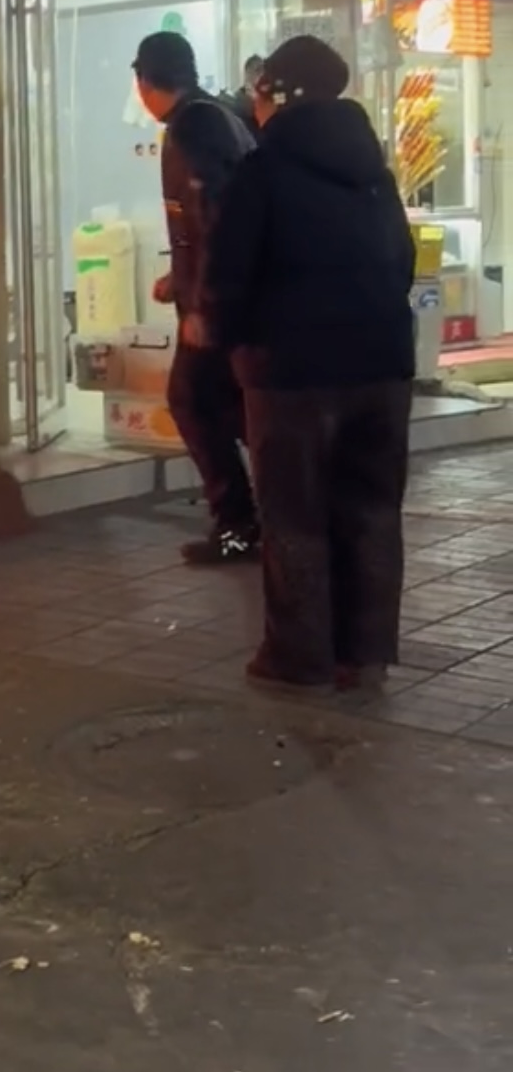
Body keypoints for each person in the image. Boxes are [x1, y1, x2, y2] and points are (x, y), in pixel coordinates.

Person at [202, 35, 416, 692]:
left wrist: (226, 341)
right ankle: (364, 651)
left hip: (292, 371)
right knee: (372, 509)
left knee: (294, 512)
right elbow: (403, 261)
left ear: (278, 94)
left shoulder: (262, 172)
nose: (255, 103)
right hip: (382, 364)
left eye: (260, 90)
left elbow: (228, 275)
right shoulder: (374, 171)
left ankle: (299, 657)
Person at [132, 30, 259, 564]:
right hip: (235, 294)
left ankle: (239, 523)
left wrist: (203, 303)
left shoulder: (194, 127)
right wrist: (179, 279)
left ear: (144, 82)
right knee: (234, 405)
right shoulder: (216, 116)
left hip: (222, 303)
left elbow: (215, 218)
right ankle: (281, 509)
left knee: (192, 400)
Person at [223, 55, 265, 140]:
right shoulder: (237, 99)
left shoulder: (266, 97)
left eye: (263, 71)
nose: (261, 75)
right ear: (247, 73)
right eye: (257, 70)